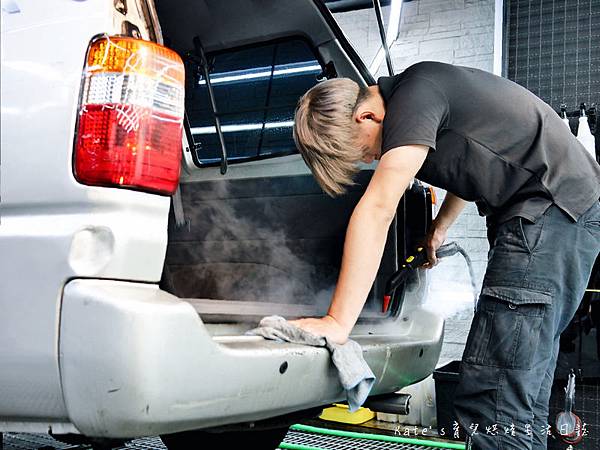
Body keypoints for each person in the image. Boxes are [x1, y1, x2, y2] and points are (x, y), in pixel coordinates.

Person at [289, 61, 600, 449]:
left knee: (494, 399)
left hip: (549, 214)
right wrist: (439, 227)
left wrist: (337, 321)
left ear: (366, 114)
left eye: (366, 150)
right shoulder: (427, 92)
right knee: (521, 396)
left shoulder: (413, 97)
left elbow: (377, 209)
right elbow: (472, 163)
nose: (372, 160)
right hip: (562, 216)